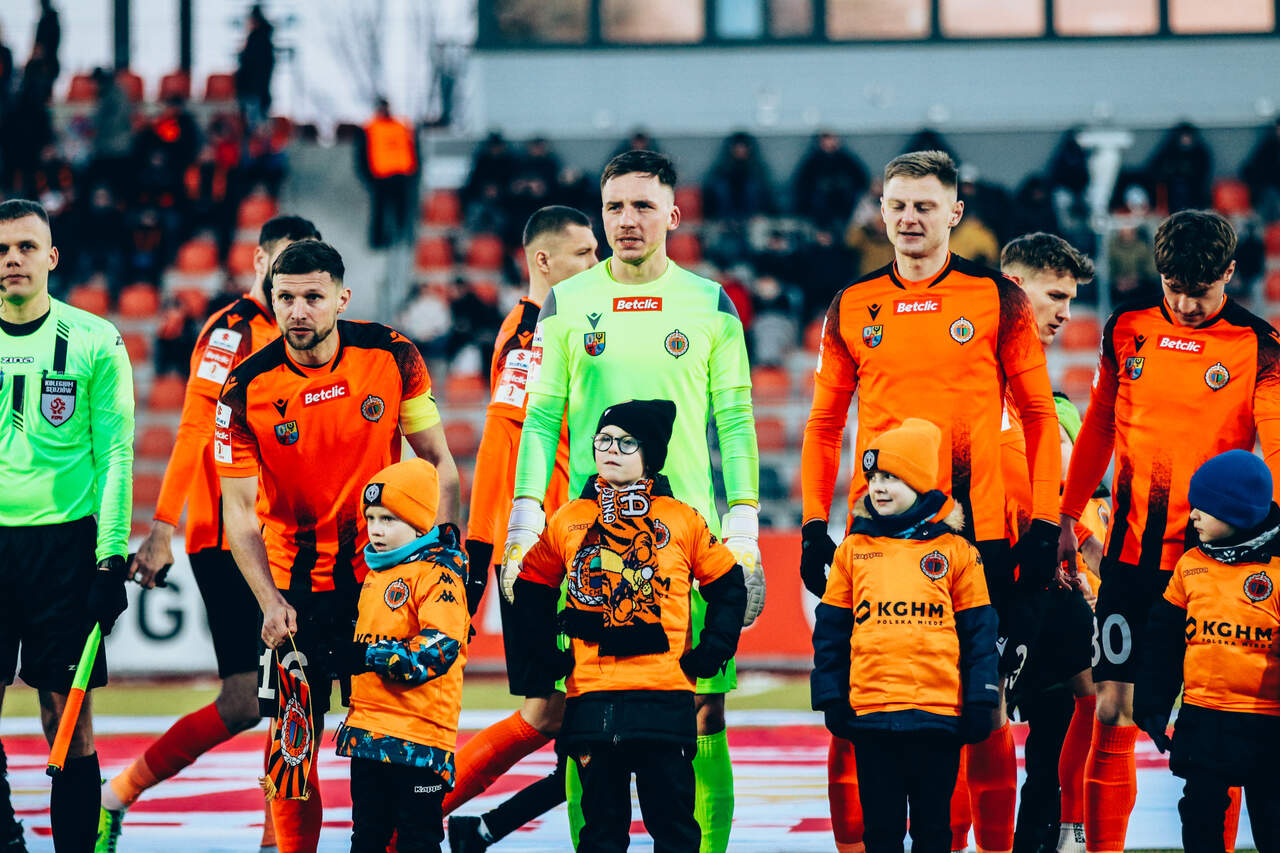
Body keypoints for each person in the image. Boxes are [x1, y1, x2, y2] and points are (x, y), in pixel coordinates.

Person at [502, 149, 764, 853]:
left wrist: (743, 523)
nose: (627, 219)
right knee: (587, 720)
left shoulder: (710, 303)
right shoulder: (567, 302)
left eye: (643, 205)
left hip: (691, 547)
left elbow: (735, 420)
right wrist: (526, 516)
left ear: (673, 215)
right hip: (591, 552)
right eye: (614, 206)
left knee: (703, 714)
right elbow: (542, 417)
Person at [799, 151, 1060, 853]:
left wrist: (1044, 520)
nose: (909, 218)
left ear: (956, 213)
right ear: (881, 212)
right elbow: (823, 425)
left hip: (979, 535)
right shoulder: (851, 305)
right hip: (875, 538)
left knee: (982, 707)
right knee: (864, 706)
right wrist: (812, 525)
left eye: (924, 205)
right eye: (898, 205)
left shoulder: (997, 298)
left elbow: (1039, 415)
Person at [215, 239, 460, 853]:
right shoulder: (243, 389)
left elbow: (440, 465)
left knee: (391, 741)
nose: (298, 310)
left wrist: (443, 557)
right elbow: (237, 513)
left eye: (313, 297)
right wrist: (269, 601)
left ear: (342, 299)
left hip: (381, 584)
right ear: (271, 300)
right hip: (293, 590)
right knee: (292, 743)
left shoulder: (392, 355)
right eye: (285, 298)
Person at [96, 215, 321, 852]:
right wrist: (161, 529)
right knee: (283, 692)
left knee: (252, 700)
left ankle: (117, 795)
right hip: (229, 538)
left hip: (288, 536)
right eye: (283, 266)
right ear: (260, 263)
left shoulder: (309, 336)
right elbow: (196, 429)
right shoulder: (233, 331)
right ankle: (275, 841)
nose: (292, 284)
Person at [1058, 209, 1280, 853]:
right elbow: (1099, 425)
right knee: (1112, 711)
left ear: (1230, 274)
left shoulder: (1259, 346)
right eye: (1173, 288)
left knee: (1220, 723)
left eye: (1200, 291)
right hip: (1130, 560)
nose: (1184, 304)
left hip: (1218, 569)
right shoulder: (1126, 327)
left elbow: (1276, 448)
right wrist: (1068, 515)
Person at [509, 399, 748, 853]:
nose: (611, 450)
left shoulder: (681, 518)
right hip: (591, 702)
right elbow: (531, 590)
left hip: (664, 700)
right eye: (603, 440)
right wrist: (546, 659)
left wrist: (711, 652)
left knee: (675, 831)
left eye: (626, 442)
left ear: (650, 453)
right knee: (600, 835)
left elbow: (730, 586)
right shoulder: (569, 518)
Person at [445, 205, 597, 851]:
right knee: (561, 716)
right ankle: (422, 816)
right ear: (543, 261)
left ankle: (473, 827)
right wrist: (481, 559)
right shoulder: (531, 336)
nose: (597, 262)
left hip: (567, 550)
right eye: (584, 253)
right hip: (546, 558)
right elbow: (501, 450)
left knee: (578, 721)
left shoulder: (555, 329)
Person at [0, 198, 133, 850]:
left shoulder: (95, 339)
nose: (12, 260)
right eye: (1, 250)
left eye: (26, 247)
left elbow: (116, 454)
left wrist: (111, 558)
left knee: (67, 718)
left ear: (51, 257)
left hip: (65, 548)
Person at [812, 418, 1000, 853]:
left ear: (918, 481)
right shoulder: (852, 551)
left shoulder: (956, 551)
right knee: (881, 832)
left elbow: (979, 634)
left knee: (934, 832)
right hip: (872, 716)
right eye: (873, 477)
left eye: (891, 477)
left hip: (938, 716)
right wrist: (831, 697)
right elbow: (831, 632)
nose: (878, 487)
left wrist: (980, 700)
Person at [1134, 449, 1280, 853]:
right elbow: (1162, 642)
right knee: (1199, 815)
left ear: (1237, 513)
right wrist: (1152, 705)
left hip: (1267, 724)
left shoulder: (1277, 570)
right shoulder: (1189, 566)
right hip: (1204, 718)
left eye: (1204, 508)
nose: (1193, 516)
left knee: (1273, 821)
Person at [337, 458, 469, 853]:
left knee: (418, 840)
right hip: (368, 735)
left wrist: (366, 656)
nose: (375, 529)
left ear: (420, 524)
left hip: (420, 740)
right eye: (370, 517)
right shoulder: (375, 574)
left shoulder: (439, 575)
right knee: (367, 838)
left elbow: (438, 649)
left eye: (389, 519)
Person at [357, 98, 418, 249]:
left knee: (401, 210)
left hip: (400, 175)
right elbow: (361, 155)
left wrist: (411, 172)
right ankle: (378, 241)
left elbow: (410, 148)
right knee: (379, 211)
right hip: (380, 177)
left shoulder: (401, 126)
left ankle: (400, 238)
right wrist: (367, 177)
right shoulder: (369, 128)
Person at [236, 4, 275, 128]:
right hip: (257, 92)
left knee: (253, 127)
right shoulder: (263, 40)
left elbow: (253, 68)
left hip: (253, 92)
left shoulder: (257, 41)